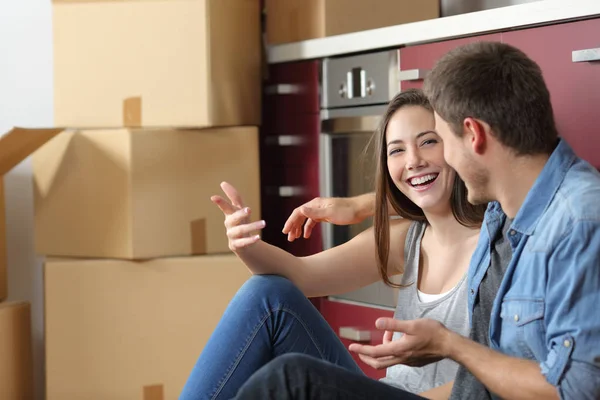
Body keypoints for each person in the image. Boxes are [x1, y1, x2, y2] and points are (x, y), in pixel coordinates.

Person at [233, 41, 600, 400]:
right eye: (399, 150)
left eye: (438, 139)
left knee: (291, 378)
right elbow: (432, 200)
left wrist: (448, 345)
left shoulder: (572, 222)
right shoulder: (507, 216)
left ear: (473, 135)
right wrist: (361, 205)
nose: (427, 158)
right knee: (269, 303)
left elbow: (577, 389)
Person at [178, 89, 487, 400]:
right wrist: (245, 243)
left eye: (428, 141)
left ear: (457, 145)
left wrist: (361, 206)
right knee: (268, 295)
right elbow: (299, 275)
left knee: (289, 378)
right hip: (387, 393)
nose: (413, 161)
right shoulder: (405, 239)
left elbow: (493, 383)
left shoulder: (499, 246)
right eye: (397, 150)